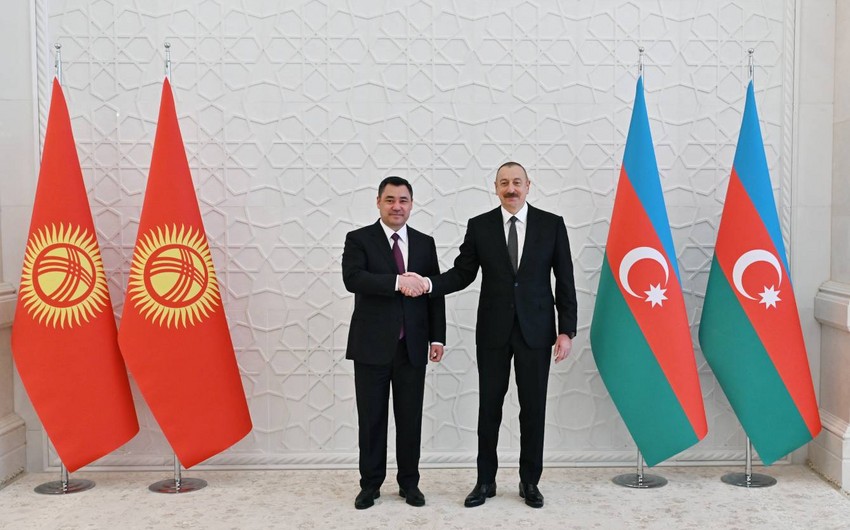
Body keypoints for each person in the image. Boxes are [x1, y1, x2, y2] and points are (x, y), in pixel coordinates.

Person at [403, 162, 577, 508]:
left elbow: (565, 279)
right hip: (493, 332)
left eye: (517, 182)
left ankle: (530, 481)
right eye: (504, 183)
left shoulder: (552, 225)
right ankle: (485, 481)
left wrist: (566, 330)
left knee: (533, 409)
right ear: (495, 188)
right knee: (489, 409)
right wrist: (428, 284)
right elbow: (463, 273)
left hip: (536, 331)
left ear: (528, 185)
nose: (511, 189)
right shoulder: (480, 226)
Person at [342, 176, 446, 510]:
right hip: (371, 346)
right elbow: (353, 279)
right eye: (390, 200)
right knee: (371, 420)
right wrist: (397, 282)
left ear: (411, 204)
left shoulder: (425, 243)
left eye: (403, 200)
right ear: (378, 202)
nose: (396, 206)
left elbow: (434, 292)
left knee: (410, 419)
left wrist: (437, 337)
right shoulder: (359, 239)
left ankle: (409, 484)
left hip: (412, 347)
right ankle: (370, 485)